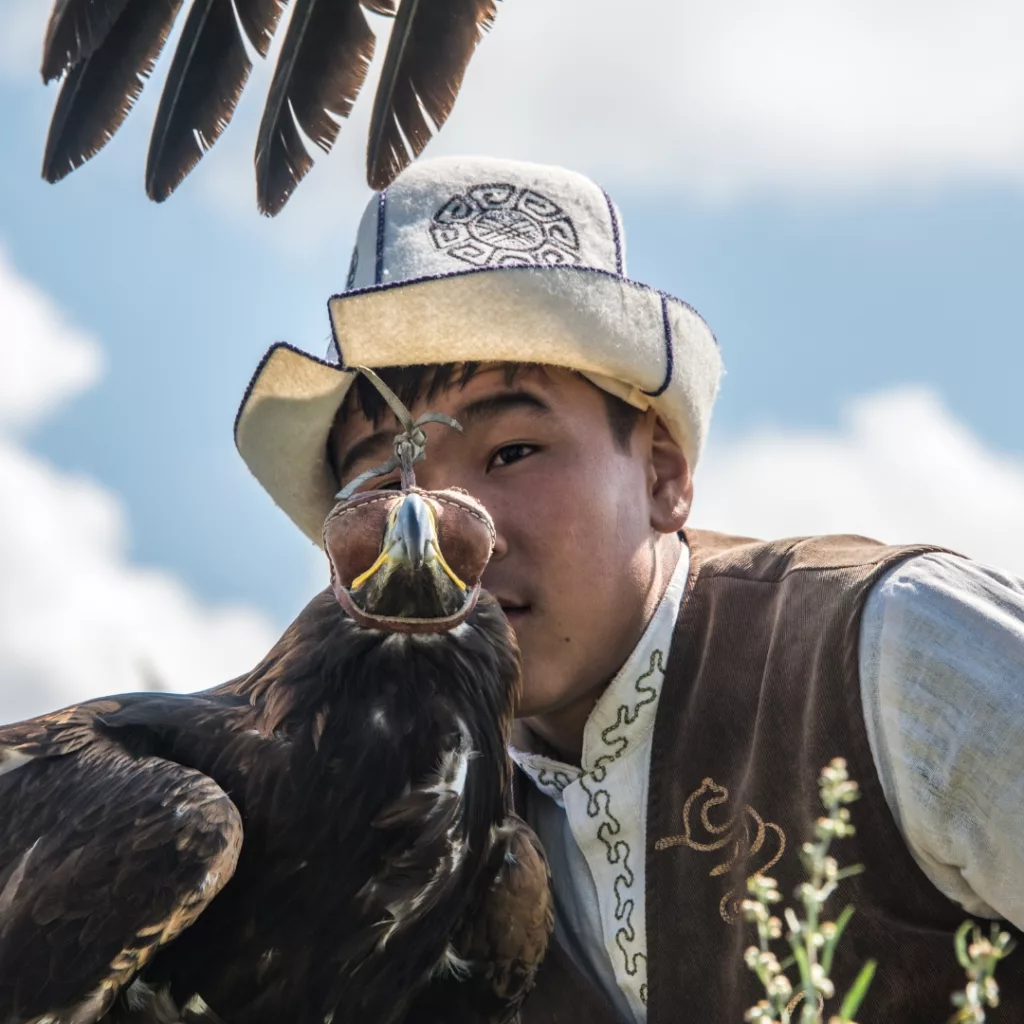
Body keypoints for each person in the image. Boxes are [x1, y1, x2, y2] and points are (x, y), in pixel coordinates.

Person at [233, 156, 1024, 1023]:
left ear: (662, 474)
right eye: (388, 491)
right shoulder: (392, 821)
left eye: (512, 454)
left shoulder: (896, 653)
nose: (453, 534)